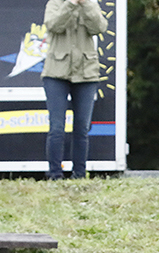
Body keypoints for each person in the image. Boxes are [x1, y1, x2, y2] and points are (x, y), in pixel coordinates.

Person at [41, 0, 108, 180]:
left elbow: (99, 27)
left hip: (86, 74)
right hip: (56, 73)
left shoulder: (91, 3)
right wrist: (70, 4)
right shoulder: (54, 3)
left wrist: (86, 5)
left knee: (82, 128)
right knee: (56, 127)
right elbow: (54, 25)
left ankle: (79, 175)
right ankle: (55, 175)